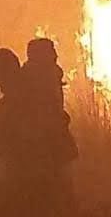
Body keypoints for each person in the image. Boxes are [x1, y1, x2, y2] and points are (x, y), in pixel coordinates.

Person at [23, 36, 78, 164]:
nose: (56, 56)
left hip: (51, 146)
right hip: (42, 146)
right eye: (52, 52)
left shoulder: (51, 77)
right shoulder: (34, 82)